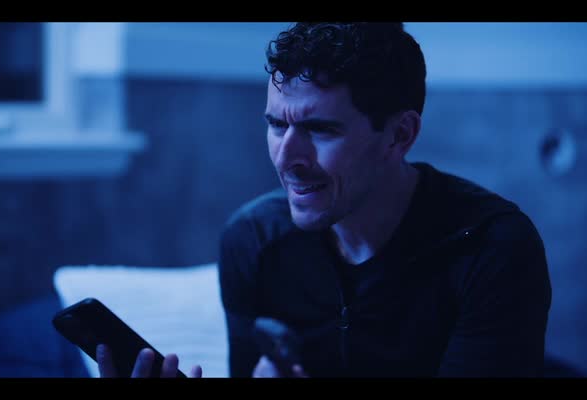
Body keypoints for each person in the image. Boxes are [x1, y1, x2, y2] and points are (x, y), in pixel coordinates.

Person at [99, 22, 552, 378]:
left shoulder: (493, 249)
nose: (286, 159)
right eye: (277, 125)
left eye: (320, 129)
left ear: (400, 135)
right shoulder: (252, 240)